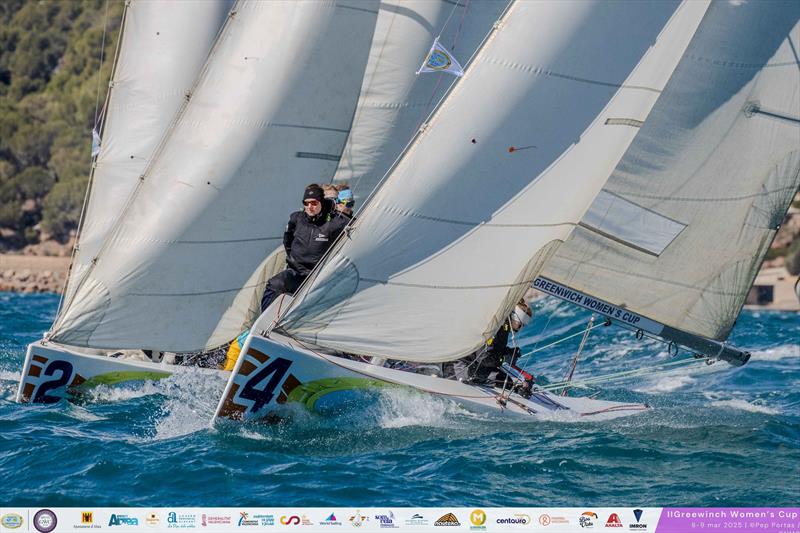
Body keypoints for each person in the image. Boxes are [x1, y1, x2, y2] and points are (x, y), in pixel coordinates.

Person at [260, 183, 349, 311]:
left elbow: (358, 228)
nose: (309, 207)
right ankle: (265, 318)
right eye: (306, 203)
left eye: (313, 203)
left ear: (321, 202)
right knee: (274, 284)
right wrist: (294, 258)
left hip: (321, 276)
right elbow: (288, 240)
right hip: (297, 272)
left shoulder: (336, 222)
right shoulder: (296, 218)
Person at [447, 300, 533, 386]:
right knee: (504, 381)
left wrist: (508, 352)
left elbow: (494, 349)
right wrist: (503, 358)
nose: (520, 328)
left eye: (523, 326)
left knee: (505, 381)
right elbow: (483, 357)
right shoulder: (496, 327)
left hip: (476, 366)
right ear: (513, 317)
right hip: (462, 367)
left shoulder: (504, 327)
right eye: (520, 324)